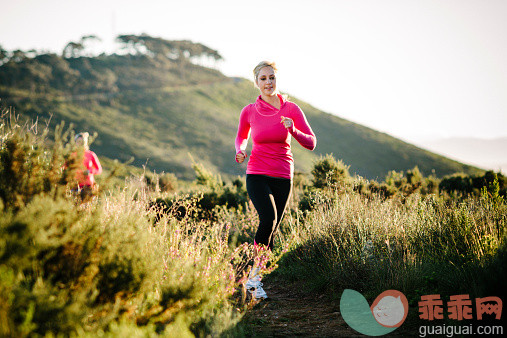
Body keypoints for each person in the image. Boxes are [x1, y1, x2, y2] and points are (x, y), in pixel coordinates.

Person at [235, 61, 317, 299]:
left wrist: (293, 130)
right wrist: (239, 151)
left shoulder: (291, 109)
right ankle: (253, 280)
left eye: (272, 77)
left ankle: (255, 279)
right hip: (257, 173)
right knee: (268, 218)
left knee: (271, 230)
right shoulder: (249, 111)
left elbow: (311, 143)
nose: (268, 82)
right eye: (263, 78)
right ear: (256, 82)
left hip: (283, 175)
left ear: (276, 80)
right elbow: (241, 136)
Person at [73, 132, 102, 200]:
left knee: (86, 208)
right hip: (75, 186)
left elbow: (99, 170)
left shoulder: (91, 154)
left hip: (88, 186)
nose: (80, 143)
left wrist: (90, 171)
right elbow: (64, 168)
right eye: (78, 141)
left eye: (83, 142)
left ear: (86, 142)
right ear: (75, 142)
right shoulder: (72, 155)